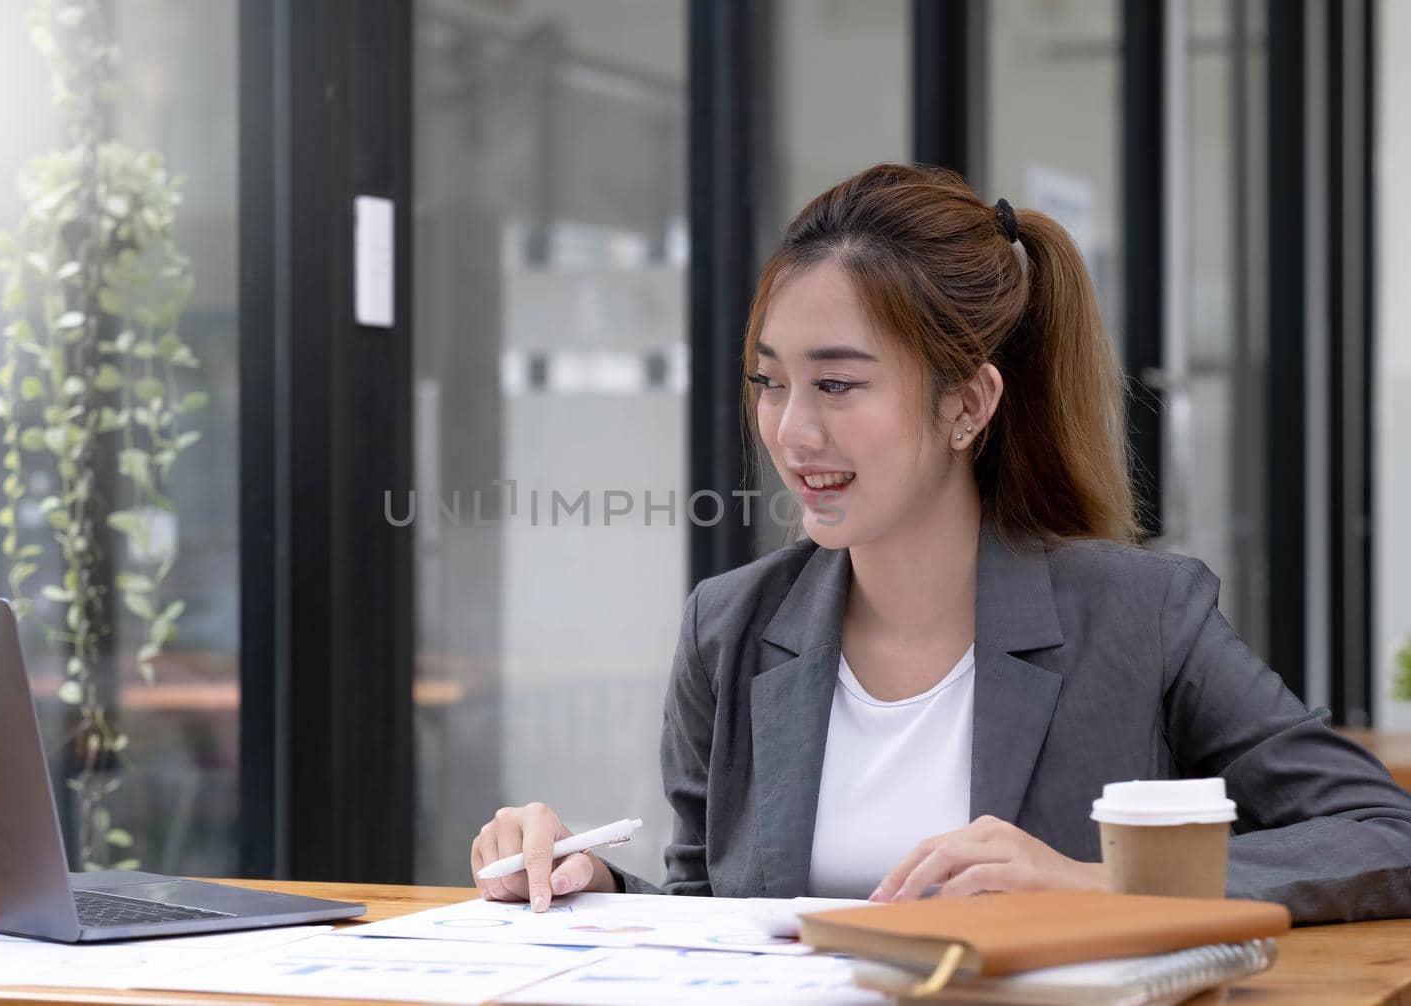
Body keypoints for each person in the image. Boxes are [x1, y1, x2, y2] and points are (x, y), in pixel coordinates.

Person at [469, 162, 1411, 924]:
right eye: (770, 382)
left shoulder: (1140, 617)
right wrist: (584, 888)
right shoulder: (732, 628)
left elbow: (1384, 834)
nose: (792, 431)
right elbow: (708, 919)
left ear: (968, 404)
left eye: (838, 385)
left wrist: (1097, 883)